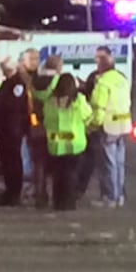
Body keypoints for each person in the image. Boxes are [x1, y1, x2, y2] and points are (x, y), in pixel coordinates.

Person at [38, 66, 96, 211]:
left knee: (58, 174)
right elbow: (88, 116)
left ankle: (58, 202)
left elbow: (46, 120)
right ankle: (69, 202)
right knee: (71, 174)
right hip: (75, 143)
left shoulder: (50, 102)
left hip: (55, 144)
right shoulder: (78, 101)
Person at [89, 46, 134, 207]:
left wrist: (93, 125)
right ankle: (120, 195)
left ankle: (109, 197)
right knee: (119, 162)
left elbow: (99, 107)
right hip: (124, 125)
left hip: (108, 127)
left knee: (108, 164)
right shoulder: (122, 78)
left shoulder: (102, 82)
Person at [0, 54, 36, 205]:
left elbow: (10, 105)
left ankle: (14, 192)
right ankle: (10, 191)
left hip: (13, 129)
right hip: (5, 129)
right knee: (7, 161)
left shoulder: (17, 84)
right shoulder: (8, 83)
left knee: (13, 161)